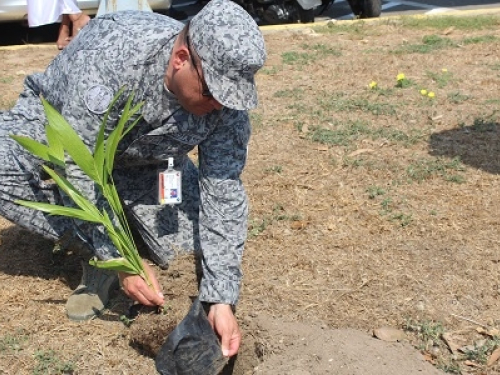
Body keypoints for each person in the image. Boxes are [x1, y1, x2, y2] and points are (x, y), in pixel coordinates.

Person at [0, 0, 266, 358]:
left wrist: (221, 296)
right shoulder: (111, 58)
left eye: (228, 96)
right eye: (211, 92)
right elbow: (76, 166)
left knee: (182, 251)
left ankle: (128, 220)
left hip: (150, 162)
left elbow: (223, 188)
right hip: (60, 137)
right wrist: (117, 257)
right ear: (181, 58)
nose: (219, 105)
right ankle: (95, 257)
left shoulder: (223, 103)